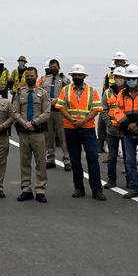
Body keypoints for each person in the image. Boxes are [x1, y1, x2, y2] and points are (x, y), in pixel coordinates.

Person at [56, 65, 105, 201]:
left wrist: (83, 121)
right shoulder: (65, 90)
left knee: (93, 159)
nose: (77, 77)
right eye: (75, 75)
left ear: (84, 76)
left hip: (88, 129)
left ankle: (97, 190)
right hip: (71, 129)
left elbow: (96, 109)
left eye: (79, 75)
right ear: (72, 76)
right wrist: (72, 119)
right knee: (75, 160)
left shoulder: (92, 91)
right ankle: (79, 188)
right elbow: (61, 107)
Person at [11, 68, 51, 202]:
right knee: (25, 162)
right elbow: (15, 111)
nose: (30, 78)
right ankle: (26, 189)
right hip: (24, 133)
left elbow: (47, 112)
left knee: (40, 163)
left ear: (36, 76)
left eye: (32, 76)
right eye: (27, 76)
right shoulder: (20, 93)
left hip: (37, 133)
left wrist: (34, 122)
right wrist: (24, 123)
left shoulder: (43, 94)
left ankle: (40, 190)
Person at [113, 64, 138, 200]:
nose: (131, 81)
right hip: (128, 134)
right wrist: (129, 125)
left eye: (133, 78)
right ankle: (135, 189)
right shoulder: (122, 94)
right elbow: (117, 112)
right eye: (129, 78)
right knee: (129, 161)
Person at [39, 59, 71, 170]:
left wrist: (58, 99)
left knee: (63, 137)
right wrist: (48, 100)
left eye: (55, 67)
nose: (53, 69)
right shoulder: (44, 80)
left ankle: (67, 160)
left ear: (59, 67)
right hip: (48, 112)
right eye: (51, 67)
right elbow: (40, 93)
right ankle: (50, 159)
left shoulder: (64, 80)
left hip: (60, 112)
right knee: (49, 136)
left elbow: (69, 93)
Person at [102, 67, 126, 188]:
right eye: (117, 77)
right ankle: (111, 179)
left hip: (126, 130)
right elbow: (104, 110)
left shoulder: (129, 92)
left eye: (121, 77)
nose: (119, 79)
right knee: (112, 156)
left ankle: (130, 180)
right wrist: (109, 123)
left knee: (128, 157)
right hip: (112, 130)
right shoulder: (108, 92)